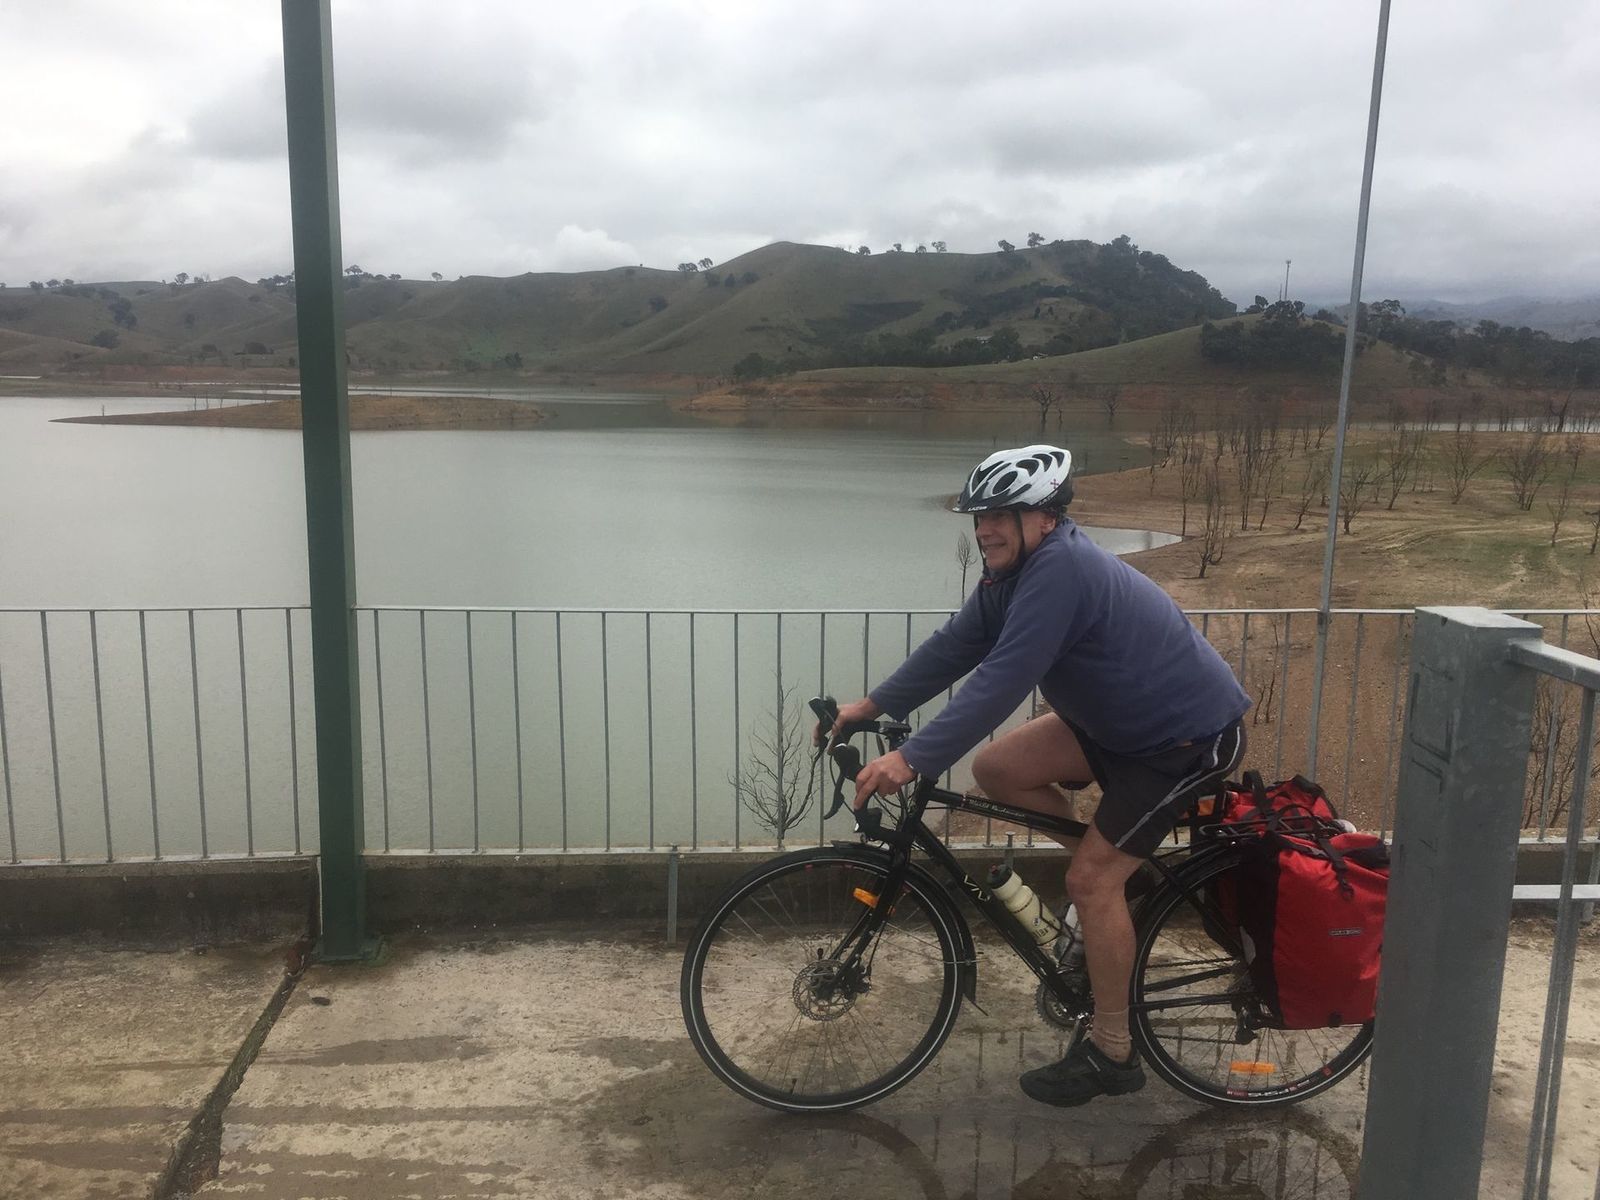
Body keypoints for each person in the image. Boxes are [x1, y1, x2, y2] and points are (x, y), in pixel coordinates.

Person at [825, 443, 1250, 1107]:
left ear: (1046, 518)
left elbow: (1003, 679)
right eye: (979, 517)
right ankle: (1122, 884)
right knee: (998, 768)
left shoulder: (1062, 570)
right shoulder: (1011, 572)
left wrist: (911, 759)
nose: (985, 529)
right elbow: (958, 646)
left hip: (1183, 739)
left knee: (1090, 882)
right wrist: (872, 706)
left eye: (1001, 515)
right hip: (1114, 727)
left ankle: (1113, 1050)